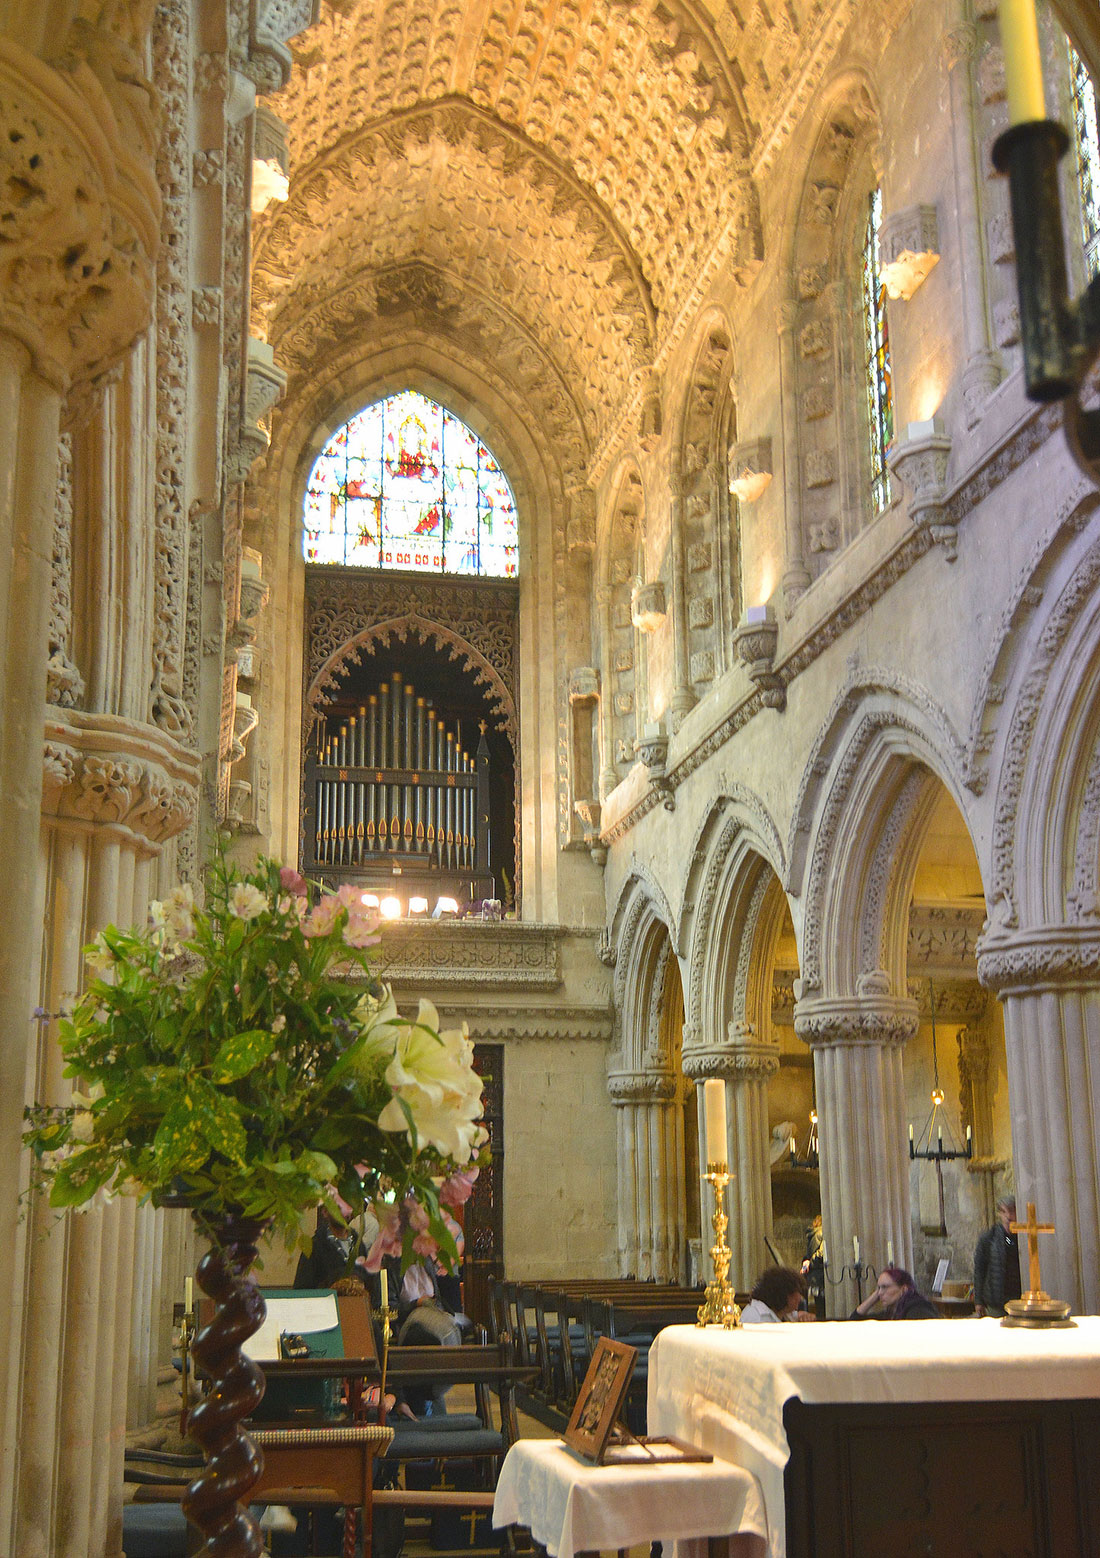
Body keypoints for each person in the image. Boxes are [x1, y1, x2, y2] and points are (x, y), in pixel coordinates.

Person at [973, 1196, 1022, 1317]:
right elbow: (980, 1270)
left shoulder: (1024, 1237)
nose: (1009, 1216)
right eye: (1004, 1212)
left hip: (1020, 1298)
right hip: (997, 1300)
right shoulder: (989, 1238)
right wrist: (978, 1301)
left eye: (1012, 1212)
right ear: (1000, 1214)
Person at [851, 1265, 938, 1319]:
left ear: (904, 1289)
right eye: (879, 1288)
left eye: (885, 1287)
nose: (880, 1293)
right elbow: (854, 1321)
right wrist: (873, 1297)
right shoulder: (892, 1312)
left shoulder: (919, 1309)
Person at [741, 1265, 816, 1323]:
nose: (800, 1298)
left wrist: (806, 1316)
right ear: (783, 1294)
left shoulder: (781, 1311)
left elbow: (796, 1315)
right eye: (797, 1292)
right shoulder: (759, 1317)